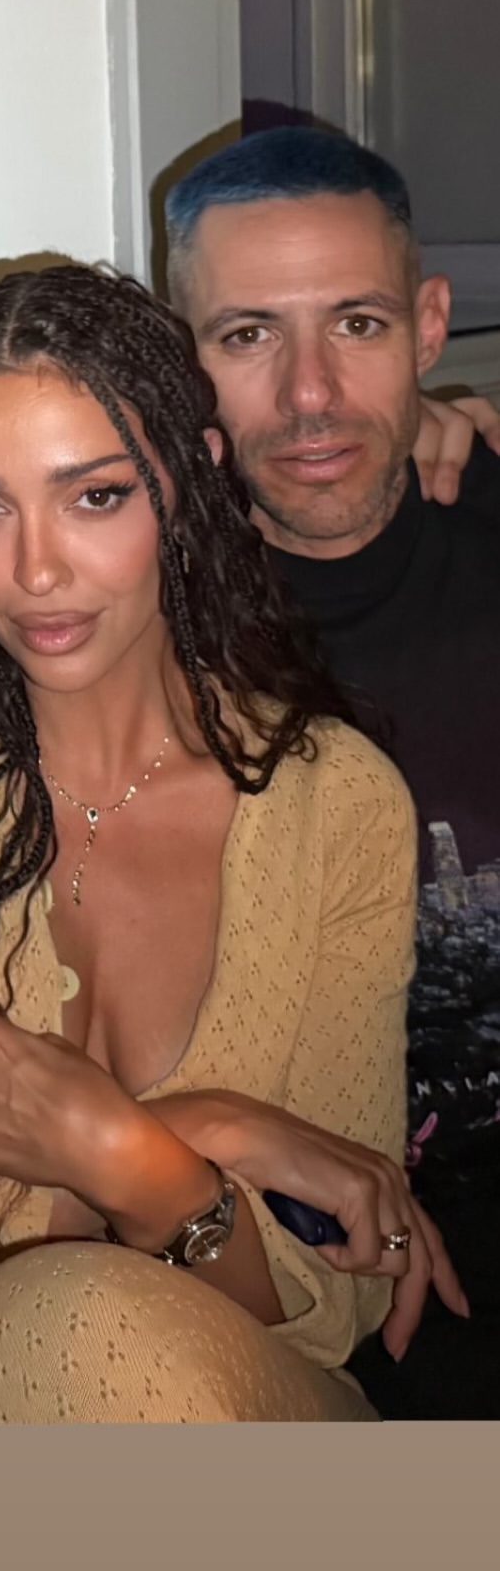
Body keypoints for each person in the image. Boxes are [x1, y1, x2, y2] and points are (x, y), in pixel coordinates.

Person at [0, 260, 465, 1423]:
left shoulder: (333, 803)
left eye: (95, 495)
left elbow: (339, 1290)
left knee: (68, 1320)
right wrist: (185, 1148)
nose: (36, 568)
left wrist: (118, 1153)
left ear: (189, 480)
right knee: (55, 1323)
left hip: (241, 1407)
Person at [164, 125, 500, 1418]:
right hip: (314, 1253)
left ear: (428, 326)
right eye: (248, 334)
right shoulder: (117, 597)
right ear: (179, 355)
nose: (309, 394)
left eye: (356, 324)